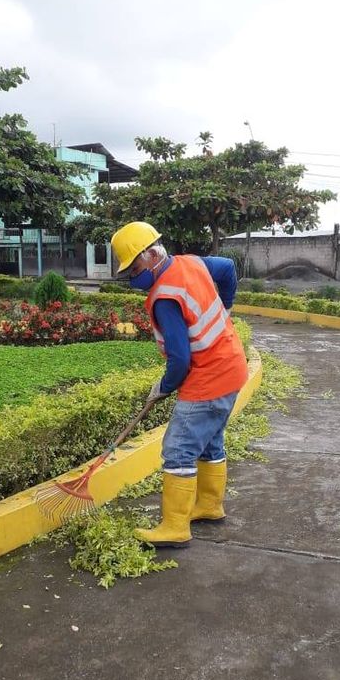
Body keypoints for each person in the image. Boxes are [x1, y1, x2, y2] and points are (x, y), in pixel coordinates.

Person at [110, 221, 249, 548]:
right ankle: (210, 505)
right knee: (210, 442)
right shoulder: (192, 262)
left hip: (209, 378)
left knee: (178, 449)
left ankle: (174, 527)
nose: (133, 278)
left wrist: (164, 386)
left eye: (134, 269)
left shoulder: (164, 297)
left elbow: (180, 359)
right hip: (232, 366)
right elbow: (227, 268)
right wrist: (227, 306)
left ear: (151, 254)